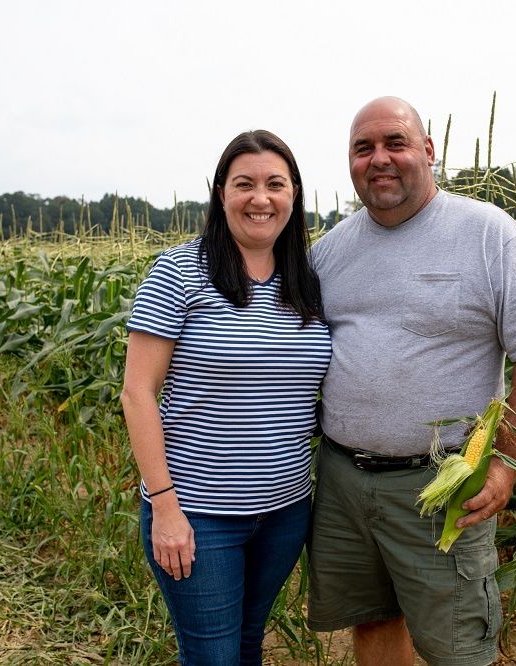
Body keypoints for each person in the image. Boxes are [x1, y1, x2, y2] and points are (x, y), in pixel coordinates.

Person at [307, 97, 516, 666]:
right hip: (342, 480)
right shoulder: (328, 253)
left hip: (442, 487)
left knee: (458, 648)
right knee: (372, 617)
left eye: (395, 143)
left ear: (429, 151)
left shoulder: (488, 236)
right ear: (350, 162)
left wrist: (504, 465)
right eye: (363, 148)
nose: (380, 158)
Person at [121, 129, 331, 666]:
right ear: (220, 194)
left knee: (246, 642)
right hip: (197, 514)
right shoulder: (178, 272)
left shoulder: (307, 283)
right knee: (212, 655)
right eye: (244, 184)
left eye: (275, 185)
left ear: (294, 196)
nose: (260, 198)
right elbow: (138, 394)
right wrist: (165, 507)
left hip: (284, 511)